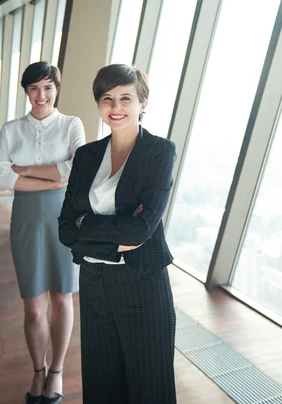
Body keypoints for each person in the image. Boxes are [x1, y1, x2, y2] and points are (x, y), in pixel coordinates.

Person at [58, 64, 177, 404]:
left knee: (150, 389)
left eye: (126, 98)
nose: (116, 107)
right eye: (107, 98)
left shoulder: (159, 152)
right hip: (94, 282)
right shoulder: (86, 155)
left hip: (143, 285)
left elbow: (141, 229)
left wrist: (87, 227)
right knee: (101, 385)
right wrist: (113, 239)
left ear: (143, 103)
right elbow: (66, 228)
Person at [0, 62, 85, 404]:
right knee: (33, 307)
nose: (41, 95)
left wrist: (26, 170)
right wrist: (51, 177)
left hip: (65, 219)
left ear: (57, 89)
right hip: (27, 221)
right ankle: (38, 369)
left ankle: (57, 371)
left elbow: (76, 171)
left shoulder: (71, 125)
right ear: (26, 91)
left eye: (48, 87)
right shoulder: (12, 129)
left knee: (62, 298)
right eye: (34, 88)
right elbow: (0, 177)